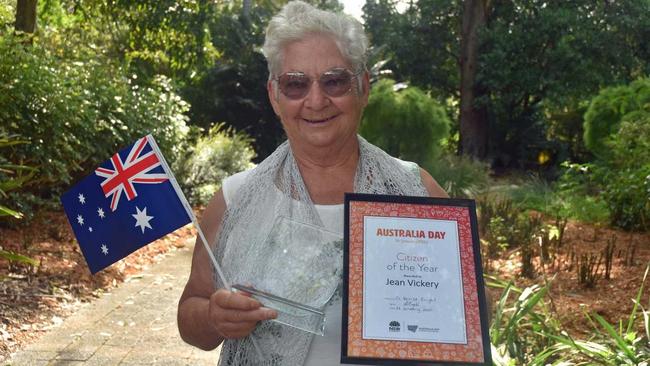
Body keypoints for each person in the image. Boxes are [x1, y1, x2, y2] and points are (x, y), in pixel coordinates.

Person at [177, 1, 448, 365]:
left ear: (363, 88)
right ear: (274, 95)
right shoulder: (235, 200)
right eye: (295, 84)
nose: (316, 100)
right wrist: (213, 316)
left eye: (334, 80)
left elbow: (473, 315)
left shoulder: (417, 192)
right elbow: (190, 317)